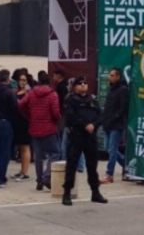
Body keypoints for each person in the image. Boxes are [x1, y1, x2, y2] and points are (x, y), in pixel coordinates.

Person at [61, 76, 107, 206]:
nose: (83, 85)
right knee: (72, 165)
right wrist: (85, 124)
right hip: (77, 136)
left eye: (85, 83)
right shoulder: (70, 100)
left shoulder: (92, 99)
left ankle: (95, 192)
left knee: (92, 166)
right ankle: (67, 193)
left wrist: (94, 125)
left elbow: (100, 115)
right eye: (80, 83)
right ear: (75, 86)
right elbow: (71, 117)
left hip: (90, 137)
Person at [19, 72, 61, 191]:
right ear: (49, 82)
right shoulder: (53, 94)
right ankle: (46, 176)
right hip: (49, 128)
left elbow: (21, 104)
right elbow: (55, 113)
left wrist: (28, 115)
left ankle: (39, 181)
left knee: (38, 156)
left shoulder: (31, 93)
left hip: (34, 128)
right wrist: (57, 120)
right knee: (55, 153)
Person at [100, 67, 129, 183]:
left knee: (112, 150)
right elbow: (107, 107)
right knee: (110, 149)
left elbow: (123, 108)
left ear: (118, 76)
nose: (109, 77)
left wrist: (114, 118)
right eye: (109, 75)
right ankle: (126, 166)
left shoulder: (123, 90)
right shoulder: (111, 89)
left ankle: (109, 174)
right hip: (107, 124)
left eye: (112, 75)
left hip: (116, 125)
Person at [11, 71, 32, 181]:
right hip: (17, 122)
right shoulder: (15, 91)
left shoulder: (29, 93)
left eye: (25, 80)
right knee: (20, 147)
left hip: (25, 122)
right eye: (21, 80)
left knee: (25, 146)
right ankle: (21, 171)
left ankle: (25, 172)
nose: (23, 82)